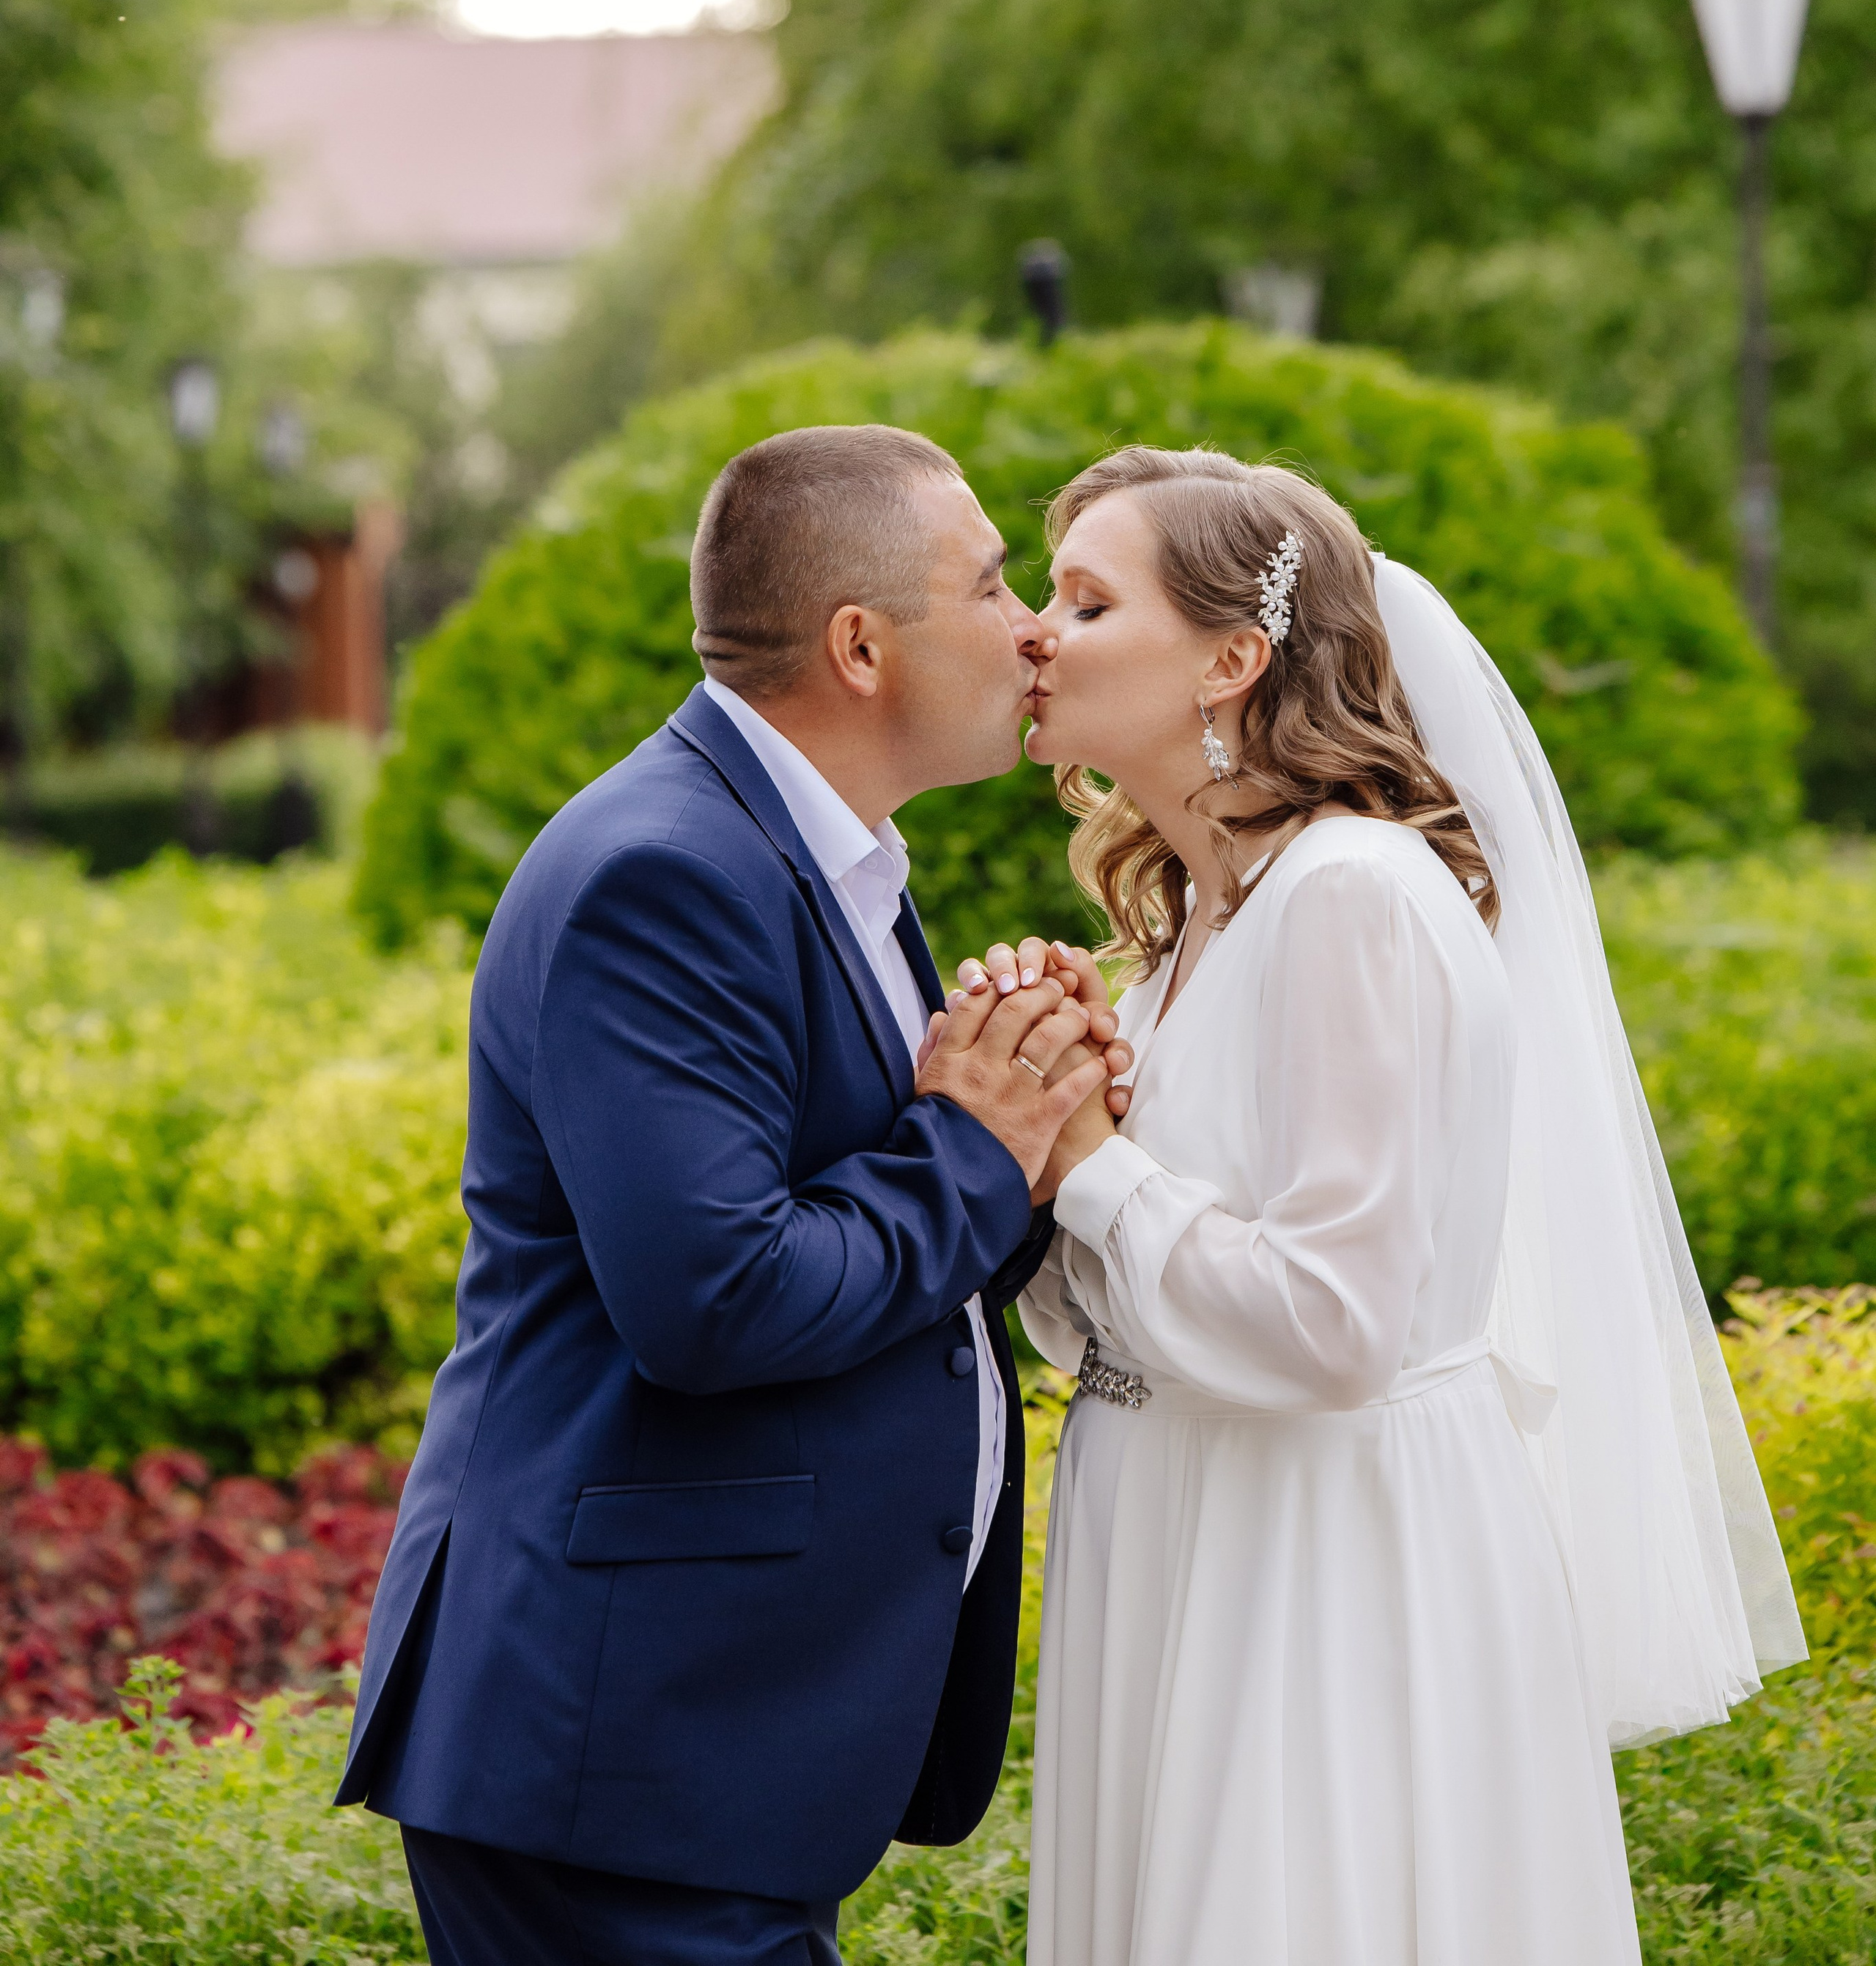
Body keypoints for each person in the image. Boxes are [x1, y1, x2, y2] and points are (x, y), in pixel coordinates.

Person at [956, 446, 1804, 1966]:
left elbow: (1334, 1327)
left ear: (1230, 658)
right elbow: (1111, 1312)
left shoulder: (1354, 895)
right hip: (1173, 1521)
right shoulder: (1193, 929)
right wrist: (1021, 1124)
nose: (1032, 632)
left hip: (1317, 1555)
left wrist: (1093, 1163)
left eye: (1083, 603)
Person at [337, 423, 1125, 1966]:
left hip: (700, 1755)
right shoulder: (666, 873)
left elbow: (877, 1206)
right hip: (617, 1760)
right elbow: (717, 1296)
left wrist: (1038, 1131)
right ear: (858, 646)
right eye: (989, 583)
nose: (1034, 625)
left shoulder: (822, 859)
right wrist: (976, 1139)